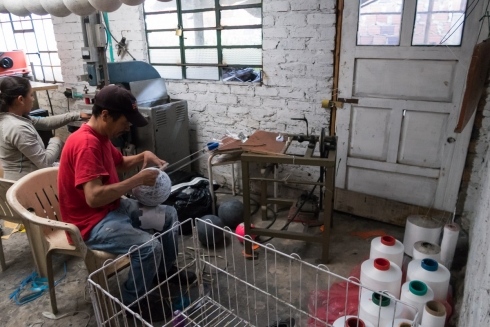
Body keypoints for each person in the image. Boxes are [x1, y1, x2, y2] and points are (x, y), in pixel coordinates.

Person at [58, 85, 195, 322]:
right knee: (149, 247)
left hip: (112, 209)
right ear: (105, 115)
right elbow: (93, 197)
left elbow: (119, 163)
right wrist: (136, 180)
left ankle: (164, 272)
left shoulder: (100, 137)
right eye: (125, 121)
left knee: (170, 215)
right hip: (92, 224)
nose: (128, 126)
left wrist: (143, 156)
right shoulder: (86, 144)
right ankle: (134, 303)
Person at [0, 76, 91, 180]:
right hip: (28, 183)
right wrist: (56, 141)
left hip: (18, 179)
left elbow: (45, 122)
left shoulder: (10, 118)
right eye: (31, 95)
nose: (33, 99)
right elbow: (45, 163)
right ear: (20, 99)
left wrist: (76, 114)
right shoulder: (18, 128)